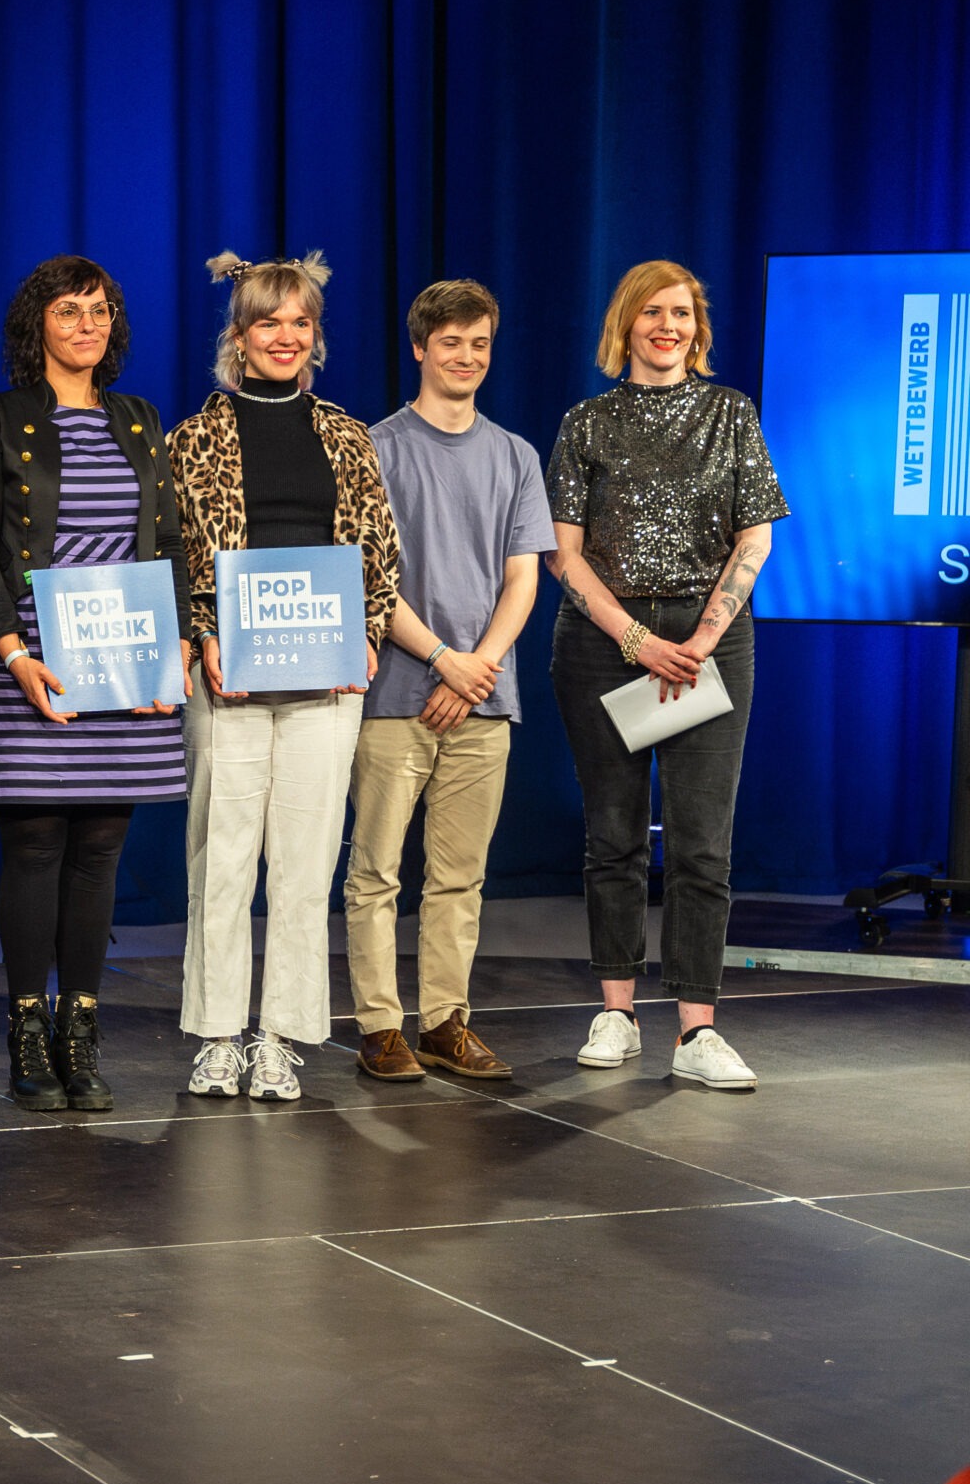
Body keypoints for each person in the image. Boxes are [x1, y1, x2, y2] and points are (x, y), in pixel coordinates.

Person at [0, 256, 191, 1112]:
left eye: (100, 311)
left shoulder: (138, 418)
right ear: (37, 326)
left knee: (99, 854)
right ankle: (26, 1030)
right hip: (31, 660)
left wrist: (169, 653)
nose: (87, 325)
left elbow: (161, 550)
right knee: (35, 846)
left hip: (124, 663)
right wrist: (12, 650)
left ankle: (80, 1033)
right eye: (68, 311)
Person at [546, 260, 785, 1090]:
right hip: (605, 642)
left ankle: (697, 1029)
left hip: (711, 641)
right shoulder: (586, 422)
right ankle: (616, 1009)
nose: (667, 326)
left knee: (700, 844)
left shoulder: (732, 414)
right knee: (612, 836)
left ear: (698, 327)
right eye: (651, 312)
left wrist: (702, 636)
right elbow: (565, 558)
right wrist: (640, 640)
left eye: (680, 312)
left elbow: (754, 539)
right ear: (625, 324)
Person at [169, 251, 398, 1102]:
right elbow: (176, 553)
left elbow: (380, 549)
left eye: (301, 323)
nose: (287, 337)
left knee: (304, 864)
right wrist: (201, 633)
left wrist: (371, 632)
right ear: (239, 336)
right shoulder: (194, 437)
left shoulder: (346, 433)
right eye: (270, 322)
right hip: (227, 672)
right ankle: (219, 1034)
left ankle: (282, 1037)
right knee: (222, 859)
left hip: (326, 675)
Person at [343, 280, 556, 1083]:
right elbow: (368, 577)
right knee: (376, 871)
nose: (466, 357)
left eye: (480, 344)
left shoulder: (515, 454)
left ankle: (444, 1020)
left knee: (460, 874)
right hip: (396, 692)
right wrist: (441, 658)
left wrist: (474, 672)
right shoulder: (376, 446)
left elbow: (524, 580)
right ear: (421, 348)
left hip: (483, 698)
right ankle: (378, 1026)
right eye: (451, 342)